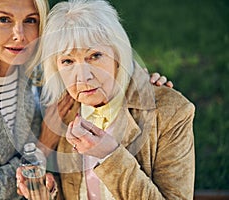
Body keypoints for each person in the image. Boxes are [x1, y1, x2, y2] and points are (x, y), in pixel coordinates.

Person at [0, 0, 172, 200]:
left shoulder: (41, 70)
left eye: (30, 21)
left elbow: (94, 72)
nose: (19, 35)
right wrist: (41, 150)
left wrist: (135, 85)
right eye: (4, 20)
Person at [33, 0, 195, 199]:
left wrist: (110, 155)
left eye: (95, 56)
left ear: (118, 55)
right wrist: (47, 194)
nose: (82, 77)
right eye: (68, 61)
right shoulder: (64, 110)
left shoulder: (171, 112)